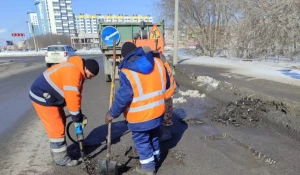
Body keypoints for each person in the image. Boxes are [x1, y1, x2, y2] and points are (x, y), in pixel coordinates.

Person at [105, 42, 170, 175]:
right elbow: (166, 83)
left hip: (139, 117)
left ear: (124, 56)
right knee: (154, 137)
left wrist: (112, 113)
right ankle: (156, 158)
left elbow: (123, 97)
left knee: (142, 142)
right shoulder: (157, 63)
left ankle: (148, 168)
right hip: (157, 111)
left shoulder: (127, 72)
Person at [29, 56, 99, 166]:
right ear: (87, 69)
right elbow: (71, 96)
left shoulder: (77, 71)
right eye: (91, 75)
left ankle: (58, 152)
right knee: (57, 128)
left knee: (61, 120)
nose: (90, 78)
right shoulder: (73, 71)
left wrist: (78, 114)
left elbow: (76, 97)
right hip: (43, 97)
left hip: (51, 98)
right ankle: (61, 159)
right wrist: (76, 118)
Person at [141, 46, 177, 142]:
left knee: (166, 113)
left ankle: (166, 134)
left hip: (167, 91)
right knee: (164, 111)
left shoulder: (157, 63)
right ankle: (161, 131)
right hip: (166, 89)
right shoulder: (159, 59)